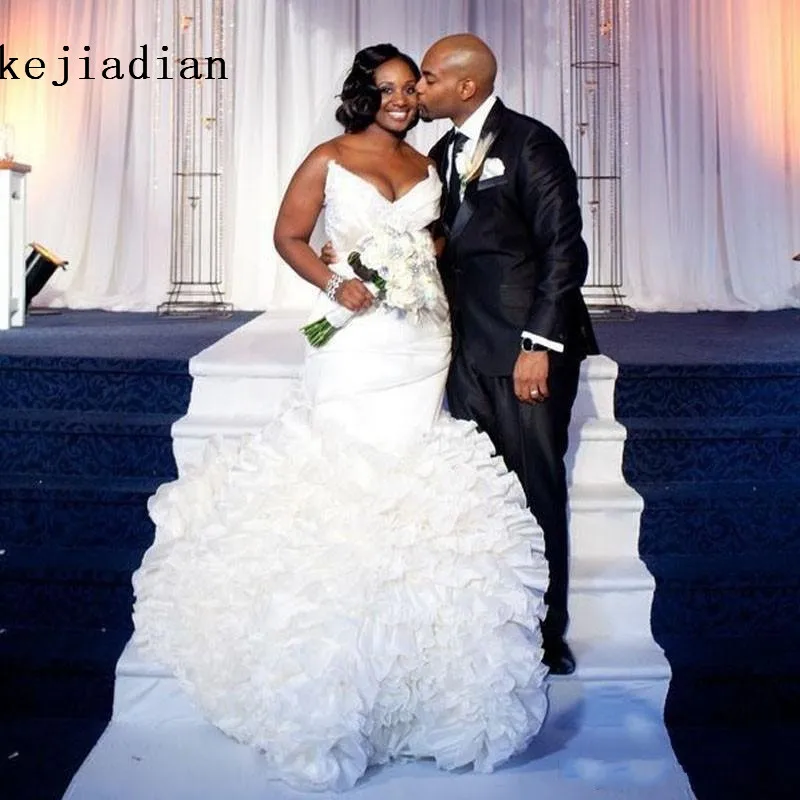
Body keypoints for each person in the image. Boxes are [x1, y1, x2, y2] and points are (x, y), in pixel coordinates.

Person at [131, 43, 549, 793]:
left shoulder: (430, 165)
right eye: (386, 89)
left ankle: (416, 663)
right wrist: (337, 280)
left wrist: (412, 258)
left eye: (409, 88)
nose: (401, 99)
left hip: (422, 339)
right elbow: (287, 237)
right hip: (355, 339)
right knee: (342, 467)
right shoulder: (329, 157)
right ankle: (324, 656)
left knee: (410, 473)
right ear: (365, 94)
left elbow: (443, 241)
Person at [416, 34, 600, 675]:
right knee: (485, 492)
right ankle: (493, 622)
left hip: (526, 352)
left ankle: (547, 633)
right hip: (465, 350)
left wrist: (538, 345)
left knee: (535, 492)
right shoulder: (440, 153)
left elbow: (563, 251)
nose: (419, 89)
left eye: (429, 78)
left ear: (466, 86)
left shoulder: (531, 144)